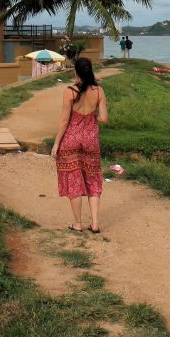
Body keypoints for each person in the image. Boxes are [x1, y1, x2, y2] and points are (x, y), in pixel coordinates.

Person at [51, 56, 107, 233]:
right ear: (90, 71)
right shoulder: (99, 91)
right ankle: (95, 223)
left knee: (74, 180)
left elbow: (63, 121)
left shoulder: (69, 91)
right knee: (93, 180)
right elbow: (104, 118)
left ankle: (77, 223)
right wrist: (92, 117)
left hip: (71, 140)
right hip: (91, 140)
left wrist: (56, 144)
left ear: (76, 72)